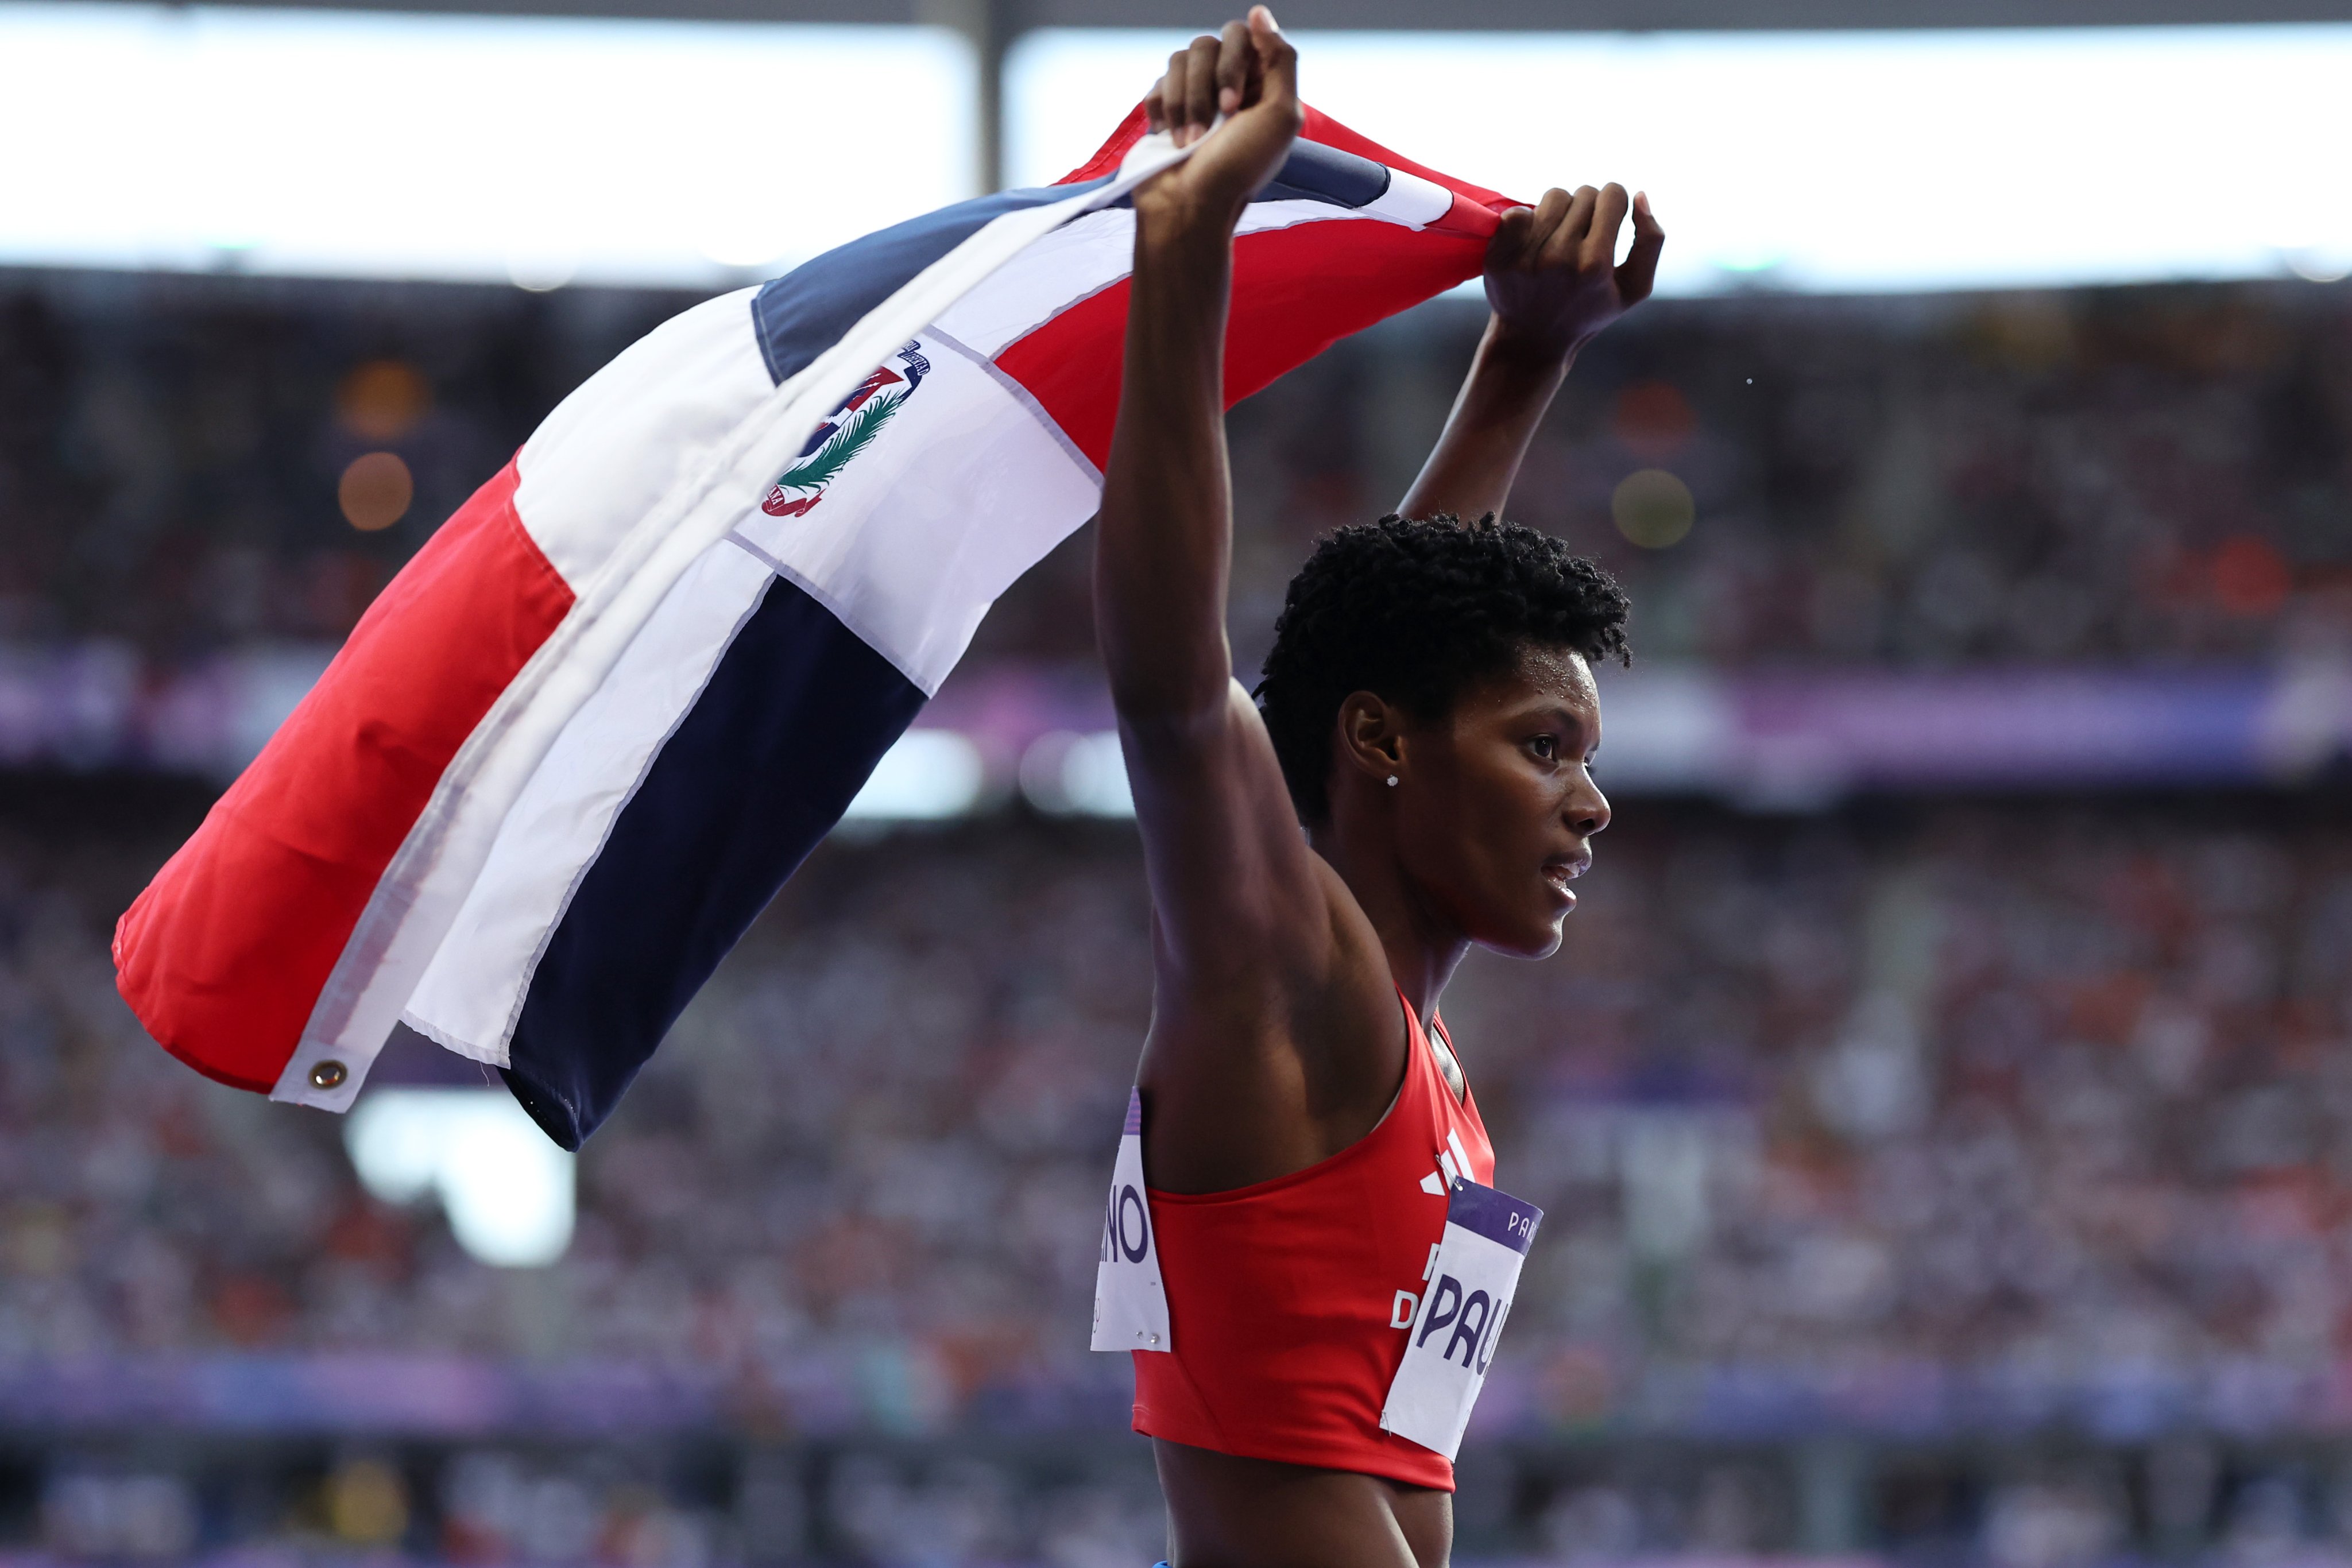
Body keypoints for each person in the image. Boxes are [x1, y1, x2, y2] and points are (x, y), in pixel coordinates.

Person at [1089, 9, 1664, 1565]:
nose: (1590, 804)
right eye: (1547, 750)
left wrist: (1521, 356)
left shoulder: (1398, 1030)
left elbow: (1389, 647)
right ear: (1390, 751)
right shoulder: (1295, 980)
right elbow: (1169, 683)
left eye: (1583, 758)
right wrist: (1184, 240)